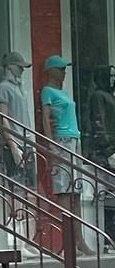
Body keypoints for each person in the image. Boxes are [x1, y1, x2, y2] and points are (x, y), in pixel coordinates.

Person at [40, 55, 95, 255]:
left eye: (64, 69)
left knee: (76, 190)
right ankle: (68, 242)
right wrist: (51, 144)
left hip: (74, 139)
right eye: (60, 69)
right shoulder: (47, 91)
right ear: (51, 71)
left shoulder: (62, 92)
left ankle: (80, 240)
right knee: (64, 190)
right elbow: (46, 118)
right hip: (62, 140)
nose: (64, 73)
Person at [0, 51, 40, 258]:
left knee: (29, 192)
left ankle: (29, 241)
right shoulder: (3, 87)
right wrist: (12, 145)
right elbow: (3, 117)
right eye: (19, 65)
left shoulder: (19, 87)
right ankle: (17, 240)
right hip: (15, 144)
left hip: (26, 143)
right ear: (10, 66)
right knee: (16, 193)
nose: (22, 69)